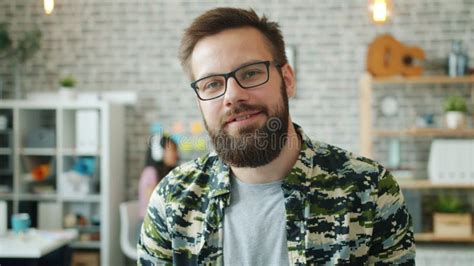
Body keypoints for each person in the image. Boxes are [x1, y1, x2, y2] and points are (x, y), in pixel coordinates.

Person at [138, 7, 415, 265]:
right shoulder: (171, 201)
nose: (233, 95)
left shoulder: (371, 191)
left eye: (251, 73)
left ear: (288, 79)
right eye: (212, 84)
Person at [136, 135, 179, 243]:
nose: (176, 154)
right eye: (173, 150)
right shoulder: (150, 172)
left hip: (161, 225)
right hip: (149, 227)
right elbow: (156, 202)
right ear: (159, 152)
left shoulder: (170, 173)